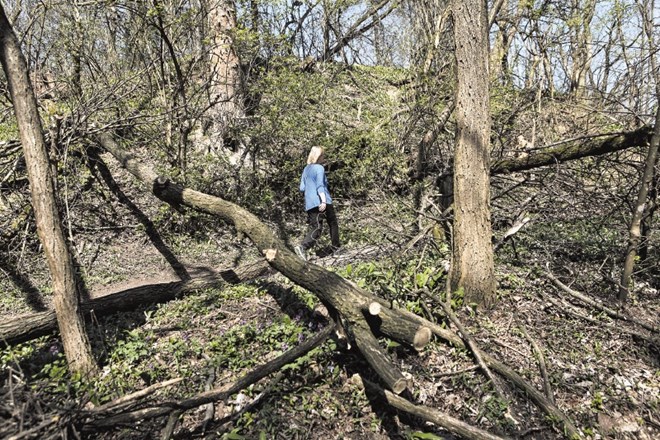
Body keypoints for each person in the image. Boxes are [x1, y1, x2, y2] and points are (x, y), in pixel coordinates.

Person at [294, 146, 340, 261]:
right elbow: (320, 185)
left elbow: (302, 188)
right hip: (322, 200)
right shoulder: (319, 168)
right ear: (319, 156)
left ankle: (303, 247)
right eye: (323, 155)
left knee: (316, 227)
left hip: (310, 204)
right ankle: (335, 247)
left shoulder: (306, 169)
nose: (324, 157)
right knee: (332, 223)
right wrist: (323, 200)